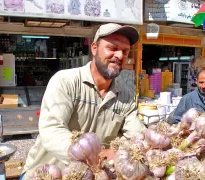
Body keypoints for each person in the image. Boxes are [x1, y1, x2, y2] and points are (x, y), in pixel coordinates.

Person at [20, 23, 146, 180]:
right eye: (113, 48)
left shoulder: (126, 95)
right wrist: (96, 155)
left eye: (125, 51)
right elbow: (51, 129)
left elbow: (138, 137)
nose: (120, 55)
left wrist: (120, 150)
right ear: (94, 48)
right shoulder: (65, 81)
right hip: (46, 174)